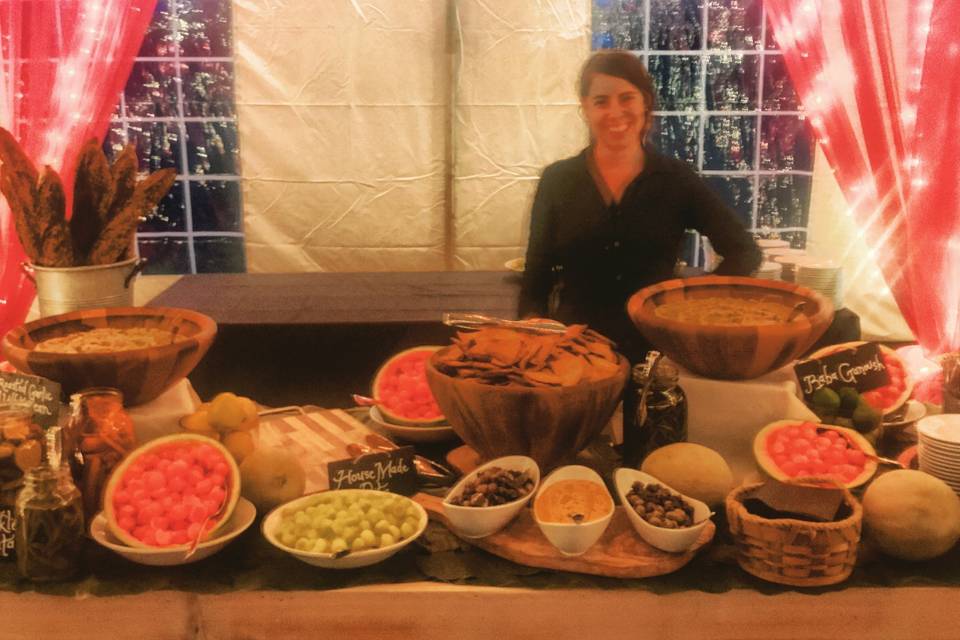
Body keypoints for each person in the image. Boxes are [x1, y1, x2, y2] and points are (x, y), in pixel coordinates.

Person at [518, 50, 761, 363]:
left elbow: (744, 251)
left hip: (658, 356)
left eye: (626, 98)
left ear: (645, 102)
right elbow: (536, 277)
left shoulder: (676, 180)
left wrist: (694, 304)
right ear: (585, 108)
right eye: (601, 101)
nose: (615, 111)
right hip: (574, 357)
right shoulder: (557, 180)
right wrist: (531, 321)